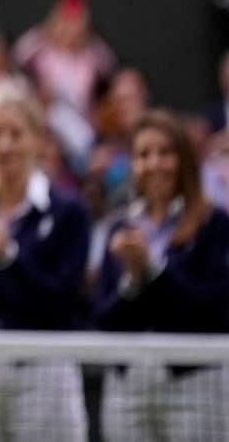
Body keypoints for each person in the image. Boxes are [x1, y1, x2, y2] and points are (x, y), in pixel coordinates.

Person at [0, 92, 91, 442]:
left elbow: (64, 299)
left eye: (16, 133)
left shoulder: (67, 211)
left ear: (38, 140)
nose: (5, 145)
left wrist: (9, 255)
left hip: (44, 371)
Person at [94, 110, 229, 439]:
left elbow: (214, 308)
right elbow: (104, 319)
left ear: (183, 159)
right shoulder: (120, 227)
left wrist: (153, 270)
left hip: (195, 383)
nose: (154, 163)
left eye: (165, 153)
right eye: (143, 154)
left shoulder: (215, 224)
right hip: (129, 387)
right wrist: (132, 280)